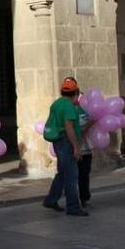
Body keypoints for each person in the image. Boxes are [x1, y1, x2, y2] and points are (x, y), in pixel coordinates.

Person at [42, 77, 89, 217]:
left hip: (57, 141)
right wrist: (76, 147)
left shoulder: (56, 104)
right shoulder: (69, 107)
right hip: (65, 142)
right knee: (71, 175)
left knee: (62, 172)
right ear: (76, 93)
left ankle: (51, 200)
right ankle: (73, 207)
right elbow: (69, 129)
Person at [77, 97, 93, 208]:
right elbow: (80, 130)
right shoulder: (72, 112)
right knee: (81, 175)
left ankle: (85, 196)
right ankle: (82, 198)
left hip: (87, 149)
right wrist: (90, 123)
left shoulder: (86, 112)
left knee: (85, 175)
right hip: (79, 149)